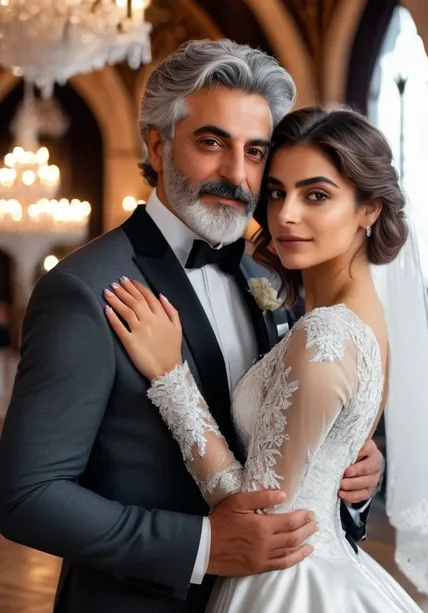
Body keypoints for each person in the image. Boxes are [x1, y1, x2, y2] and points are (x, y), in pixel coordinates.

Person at [0, 41, 383, 613]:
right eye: (212, 142)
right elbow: (26, 497)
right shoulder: (85, 290)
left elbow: (285, 435)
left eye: (256, 152)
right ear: (157, 144)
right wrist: (204, 546)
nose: (236, 174)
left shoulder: (271, 276)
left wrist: (350, 472)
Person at [104, 107, 428, 612]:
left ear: (369, 208)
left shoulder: (327, 334)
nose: (285, 215)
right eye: (277, 192)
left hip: (286, 583)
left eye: (316, 195)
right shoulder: (355, 317)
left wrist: (170, 376)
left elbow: (256, 514)